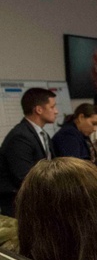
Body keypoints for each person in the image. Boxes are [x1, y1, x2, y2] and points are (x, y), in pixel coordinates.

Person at [0, 87, 58, 216]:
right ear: (39, 110)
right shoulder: (20, 137)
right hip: (20, 204)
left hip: (39, 197)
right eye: (52, 107)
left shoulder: (43, 134)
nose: (56, 111)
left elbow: (52, 166)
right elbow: (25, 177)